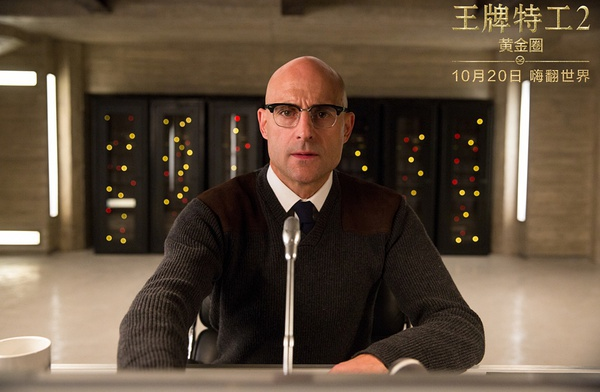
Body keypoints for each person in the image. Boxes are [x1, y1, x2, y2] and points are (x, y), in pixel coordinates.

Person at [117, 56, 485, 373]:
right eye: (286, 112)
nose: (304, 132)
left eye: (323, 113)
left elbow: (458, 325)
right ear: (264, 124)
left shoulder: (387, 214)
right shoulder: (214, 212)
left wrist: (379, 361)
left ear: (346, 127)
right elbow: (158, 308)